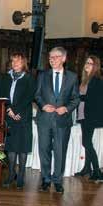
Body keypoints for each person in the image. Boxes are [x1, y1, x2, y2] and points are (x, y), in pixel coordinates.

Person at [35, 47, 79, 193]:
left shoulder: (72, 77)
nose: (52, 59)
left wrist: (66, 108)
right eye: (50, 57)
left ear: (64, 59)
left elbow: (75, 98)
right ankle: (46, 180)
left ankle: (58, 181)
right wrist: (43, 105)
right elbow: (37, 95)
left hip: (62, 121)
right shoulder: (42, 75)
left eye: (56, 57)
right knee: (44, 151)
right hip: (45, 120)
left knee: (60, 151)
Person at [0, 52, 35, 189]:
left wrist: (17, 111)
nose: (15, 64)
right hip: (9, 116)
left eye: (18, 61)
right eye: (13, 61)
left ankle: (21, 176)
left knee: (22, 147)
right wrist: (9, 109)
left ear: (23, 63)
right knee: (11, 147)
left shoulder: (29, 78)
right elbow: (1, 94)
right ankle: (11, 174)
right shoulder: (6, 77)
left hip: (23, 117)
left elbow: (29, 96)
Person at [74, 55, 103, 181]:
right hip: (83, 115)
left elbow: (95, 100)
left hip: (91, 116)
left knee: (86, 142)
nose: (87, 65)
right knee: (87, 142)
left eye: (90, 63)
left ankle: (97, 171)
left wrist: (77, 98)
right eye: (86, 62)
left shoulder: (97, 80)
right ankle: (86, 168)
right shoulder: (85, 80)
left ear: (95, 66)